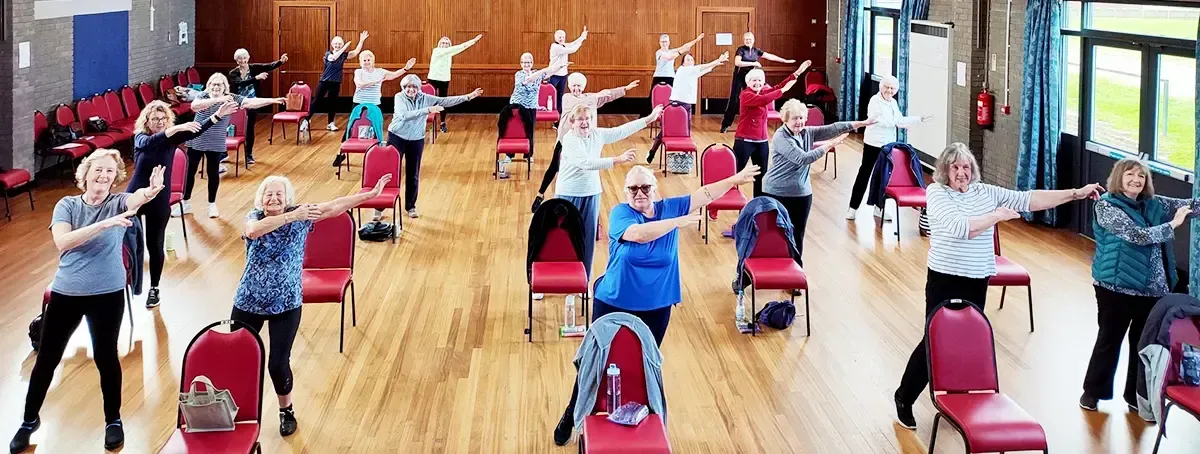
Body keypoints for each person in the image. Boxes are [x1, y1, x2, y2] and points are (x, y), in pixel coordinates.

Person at [892, 143, 1103, 430]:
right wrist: (996, 216)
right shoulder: (937, 193)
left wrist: (1075, 193)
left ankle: (959, 399)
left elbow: (1030, 199)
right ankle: (904, 396)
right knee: (935, 340)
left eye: (966, 167)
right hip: (945, 277)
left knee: (967, 341)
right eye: (955, 167)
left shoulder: (985, 192)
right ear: (944, 170)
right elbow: (960, 228)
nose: (961, 172)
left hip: (977, 278)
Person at [551, 163, 759, 445]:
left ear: (655, 189)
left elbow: (705, 194)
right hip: (613, 301)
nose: (639, 193)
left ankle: (637, 420)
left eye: (645, 187)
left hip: (657, 305)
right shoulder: (621, 213)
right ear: (625, 192)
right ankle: (571, 412)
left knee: (643, 364)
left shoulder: (669, 207)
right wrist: (677, 222)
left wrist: (734, 178)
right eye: (633, 188)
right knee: (595, 362)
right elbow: (639, 234)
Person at [8, 149, 167, 453]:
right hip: (67, 294)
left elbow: (137, 199)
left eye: (110, 171)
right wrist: (104, 225)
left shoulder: (119, 202)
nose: (104, 176)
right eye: (98, 170)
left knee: (107, 359)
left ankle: (113, 421)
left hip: (106, 296)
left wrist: (152, 190)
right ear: (85, 174)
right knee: (47, 360)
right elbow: (63, 242)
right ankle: (28, 422)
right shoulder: (66, 205)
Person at [233, 173, 393, 437]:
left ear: (288, 199)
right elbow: (253, 231)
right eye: (268, 195)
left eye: (279, 194)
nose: (273, 198)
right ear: (260, 200)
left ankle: (286, 411)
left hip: (286, 302)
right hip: (248, 300)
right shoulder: (255, 217)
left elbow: (335, 206)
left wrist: (370, 195)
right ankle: (238, 408)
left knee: (277, 363)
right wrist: (290, 217)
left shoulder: (302, 215)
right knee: (239, 356)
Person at [1080, 158, 1197, 414]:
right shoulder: (1106, 206)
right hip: (1115, 288)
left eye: (1141, 176)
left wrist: (1190, 208)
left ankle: (1136, 396)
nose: (1136, 180)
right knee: (1109, 340)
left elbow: (1188, 205)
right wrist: (1173, 224)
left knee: (1143, 345)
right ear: (1119, 178)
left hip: (1153, 290)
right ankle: (1092, 392)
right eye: (1130, 175)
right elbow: (1137, 236)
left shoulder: (1154, 203)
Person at [127, 99, 237, 307]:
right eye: (155, 119)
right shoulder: (140, 138)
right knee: (129, 241)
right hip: (135, 195)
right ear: (147, 121)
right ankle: (130, 282)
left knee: (155, 244)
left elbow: (196, 132)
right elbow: (151, 143)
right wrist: (177, 127)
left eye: (163, 119)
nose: (159, 122)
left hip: (159, 198)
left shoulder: (171, 139)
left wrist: (218, 115)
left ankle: (154, 288)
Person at [557, 103, 663, 281]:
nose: (585, 123)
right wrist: (617, 159)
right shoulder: (569, 139)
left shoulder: (597, 134)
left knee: (588, 239)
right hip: (568, 193)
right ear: (572, 121)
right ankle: (557, 276)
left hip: (591, 193)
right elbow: (586, 163)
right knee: (563, 237)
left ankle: (583, 280)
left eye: (588, 119)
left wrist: (649, 119)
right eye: (580, 120)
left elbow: (620, 131)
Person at [761, 99, 872, 267]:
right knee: (772, 233)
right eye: (794, 119)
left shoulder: (807, 132)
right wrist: (829, 145)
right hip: (776, 192)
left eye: (801, 118)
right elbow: (803, 158)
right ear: (785, 119)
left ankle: (794, 273)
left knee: (797, 233)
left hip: (801, 193)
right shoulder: (780, 137)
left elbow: (832, 128)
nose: (799, 122)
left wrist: (861, 123)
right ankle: (751, 273)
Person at [378, 74, 482, 220]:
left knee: (413, 173)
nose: (411, 89)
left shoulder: (425, 98)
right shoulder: (399, 97)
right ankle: (379, 207)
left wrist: (468, 97)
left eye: (414, 87)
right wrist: (428, 110)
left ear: (418, 88)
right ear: (403, 88)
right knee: (390, 171)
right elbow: (404, 116)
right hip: (397, 137)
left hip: (416, 139)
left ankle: (411, 206)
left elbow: (444, 101)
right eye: (408, 87)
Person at [181, 73, 285, 219]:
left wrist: (273, 100)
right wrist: (218, 99)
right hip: (197, 138)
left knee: (213, 173)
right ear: (208, 85)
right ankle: (185, 202)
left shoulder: (231, 98)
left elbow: (250, 102)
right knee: (190, 172)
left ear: (225, 87)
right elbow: (195, 106)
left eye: (219, 85)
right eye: (213, 84)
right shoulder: (203, 96)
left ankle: (212, 204)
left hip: (215, 140)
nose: (216, 87)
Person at [529, 73, 637, 207]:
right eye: (573, 86)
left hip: (585, 141)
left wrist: (625, 89)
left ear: (583, 86)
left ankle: (584, 196)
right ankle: (540, 194)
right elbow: (580, 106)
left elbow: (608, 96)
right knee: (554, 167)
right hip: (565, 140)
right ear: (569, 86)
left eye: (579, 86)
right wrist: (596, 96)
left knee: (586, 167)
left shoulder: (591, 98)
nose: (576, 89)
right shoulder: (567, 98)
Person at [847, 75, 930, 221]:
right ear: (881, 87)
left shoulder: (893, 103)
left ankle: (879, 209)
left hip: (887, 146)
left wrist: (918, 119)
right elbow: (878, 120)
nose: (889, 91)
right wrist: (895, 123)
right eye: (887, 87)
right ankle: (853, 208)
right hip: (873, 143)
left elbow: (899, 120)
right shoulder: (874, 100)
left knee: (883, 177)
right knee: (864, 175)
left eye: (892, 88)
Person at [733, 63, 808, 198]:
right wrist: (783, 91)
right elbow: (764, 99)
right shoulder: (746, 95)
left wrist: (796, 74)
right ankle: (717, 202)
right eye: (754, 80)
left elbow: (777, 87)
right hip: (744, 140)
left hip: (761, 141)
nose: (757, 83)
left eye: (760, 80)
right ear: (748, 82)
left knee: (762, 176)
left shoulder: (762, 91)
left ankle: (759, 204)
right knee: (735, 172)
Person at [644, 52, 731, 164]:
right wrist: (717, 60)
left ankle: (685, 157)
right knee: (667, 130)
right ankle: (652, 151)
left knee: (686, 130)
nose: (690, 61)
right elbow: (702, 67)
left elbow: (704, 70)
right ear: (683, 63)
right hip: (676, 104)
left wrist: (718, 63)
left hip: (688, 105)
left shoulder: (692, 72)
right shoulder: (683, 70)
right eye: (687, 60)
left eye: (691, 60)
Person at [720, 32, 796, 133]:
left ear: (753, 40)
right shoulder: (741, 50)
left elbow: (770, 56)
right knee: (734, 100)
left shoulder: (756, 51)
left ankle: (752, 123)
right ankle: (725, 124)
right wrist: (754, 63)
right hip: (739, 77)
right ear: (744, 40)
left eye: (750, 39)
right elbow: (737, 62)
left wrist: (785, 61)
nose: (748, 41)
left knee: (758, 96)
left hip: (751, 79)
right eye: (746, 39)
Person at [230, 49, 288, 168]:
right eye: (239, 59)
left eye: (244, 58)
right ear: (236, 60)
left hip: (253, 103)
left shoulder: (254, 68)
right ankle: (223, 153)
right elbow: (240, 84)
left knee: (249, 128)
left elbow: (268, 66)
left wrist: (280, 62)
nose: (242, 60)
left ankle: (249, 154)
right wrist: (256, 78)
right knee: (232, 128)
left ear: (248, 58)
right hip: (237, 104)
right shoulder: (233, 73)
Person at [301, 31, 368, 133]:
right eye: (336, 44)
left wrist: (361, 41)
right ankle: (306, 120)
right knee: (317, 100)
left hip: (336, 82)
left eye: (340, 44)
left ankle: (330, 123)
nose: (338, 45)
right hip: (324, 81)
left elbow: (355, 52)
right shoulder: (328, 54)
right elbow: (333, 58)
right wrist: (344, 48)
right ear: (332, 45)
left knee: (333, 103)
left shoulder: (343, 55)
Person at [427, 33, 483, 132]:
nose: (444, 45)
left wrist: (472, 42)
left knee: (444, 101)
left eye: (447, 43)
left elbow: (460, 48)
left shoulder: (449, 53)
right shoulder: (436, 51)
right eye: (443, 43)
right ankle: (425, 121)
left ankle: (442, 123)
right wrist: (472, 41)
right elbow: (457, 47)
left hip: (444, 80)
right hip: (433, 79)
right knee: (429, 100)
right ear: (439, 44)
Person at [548, 27, 588, 124]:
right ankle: (550, 116)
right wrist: (581, 40)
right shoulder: (555, 47)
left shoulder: (563, 45)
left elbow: (572, 44)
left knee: (560, 96)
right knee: (551, 96)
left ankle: (557, 119)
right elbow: (573, 49)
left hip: (563, 75)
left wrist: (582, 37)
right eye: (559, 37)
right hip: (554, 75)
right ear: (555, 38)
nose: (561, 39)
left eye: (563, 37)